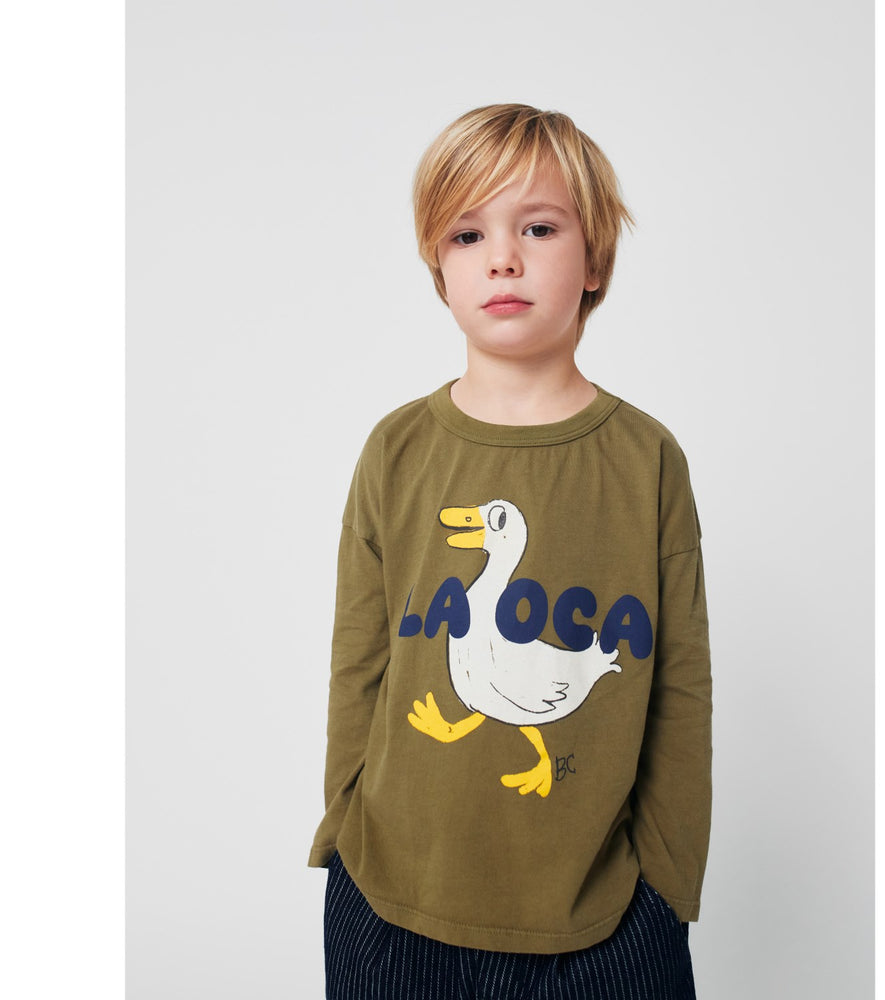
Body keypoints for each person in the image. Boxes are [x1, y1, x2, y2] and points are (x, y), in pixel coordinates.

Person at [308, 103, 712, 1000]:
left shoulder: (647, 460)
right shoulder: (396, 450)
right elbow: (358, 661)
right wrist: (343, 828)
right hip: (391, 904)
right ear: (439, 270)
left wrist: (668, 883)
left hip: (605, 920)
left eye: (538, 227)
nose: (502, 257)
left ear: (595, 259)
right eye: (467, 234)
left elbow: (682, 683)